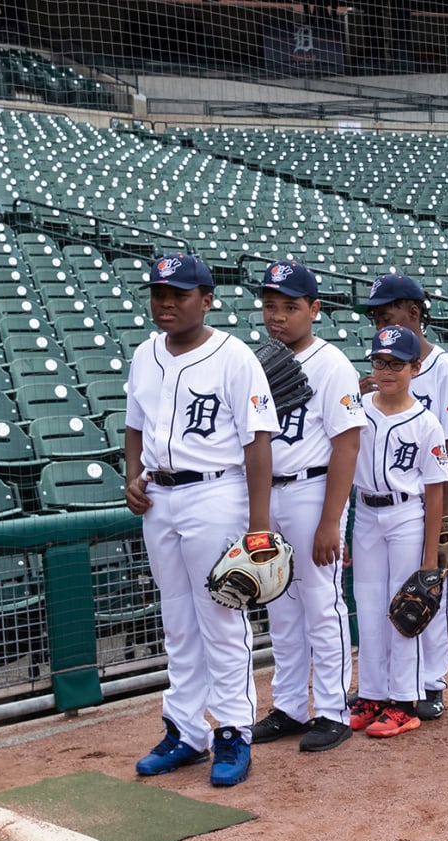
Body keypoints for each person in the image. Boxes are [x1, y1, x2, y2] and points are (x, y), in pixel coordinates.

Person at [124, 253, 277, 786]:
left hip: (216, 493)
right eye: (158, 294)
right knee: (177, 622)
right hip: (160, 498)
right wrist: (133, 477)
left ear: (207, 300)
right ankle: (186, 731)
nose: (165, 303)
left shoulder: (235, 357)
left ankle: (234, 731)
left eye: (178, 295)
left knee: (219, 616)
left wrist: (259, 524)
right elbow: (134, 427)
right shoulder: (144, 354)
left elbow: (258, 442)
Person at [248, 259, 362, 754]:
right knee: (280, 606)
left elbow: (348, 444)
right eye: (271, 306)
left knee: (322, 604)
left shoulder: (332, 363)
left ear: (314, 309)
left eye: (290, 307)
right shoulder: (256, 360)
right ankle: (291, 706)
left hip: (312, 489)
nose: (278, 316)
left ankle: (334, 710)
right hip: (268, 491)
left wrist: (331, 520)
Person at [363, 274, 448, 720]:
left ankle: (430, 682)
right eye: (376, 310)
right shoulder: (382, 371)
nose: (380, 314)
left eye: (389, 307)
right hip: (379, 506)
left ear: (414, 309)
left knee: (421, 595)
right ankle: (384, 687)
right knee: (382, 600)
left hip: (426, 500)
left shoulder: (443, 367)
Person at [346, 326, 448, 738]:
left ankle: (405, 700)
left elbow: (435, 492)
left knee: (403, 609)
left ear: (415, 367)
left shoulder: (426, 422)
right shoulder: (359, 410)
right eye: (379, 362)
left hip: (407, 514)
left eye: (396, 363)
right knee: (369, 606)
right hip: (367, 514)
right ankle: (372, 693)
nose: (386, 370)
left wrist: (429, 561)